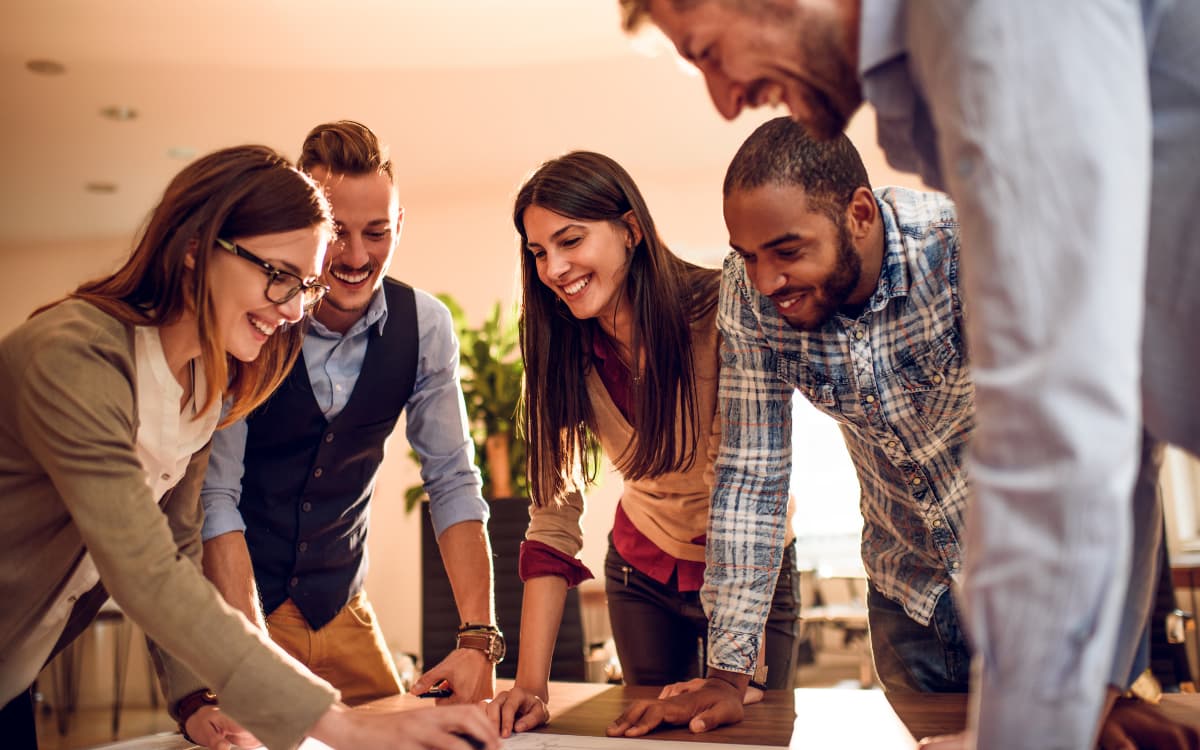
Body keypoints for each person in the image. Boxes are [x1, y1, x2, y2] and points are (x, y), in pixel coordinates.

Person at [617, 1, 1200, 748]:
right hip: (913, 592)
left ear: (860, 215)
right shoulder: (759, 286)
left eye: (705, 51)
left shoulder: (987, 32)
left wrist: (1055, 711)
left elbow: (1064, 421)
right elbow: (752, 475)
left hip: (1031, 572)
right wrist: (729, 671)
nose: (724, 99)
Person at [0, 145, 498, 750]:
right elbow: (145, 571)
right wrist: (340, 725)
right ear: (194, 250)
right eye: (280, 278)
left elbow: (178, 549)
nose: (293, 312)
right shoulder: (72, 356)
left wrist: (192, 698)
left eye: (304, 287)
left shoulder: (207, 385)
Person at [485, 151, 800, 737]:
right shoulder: (560, 347)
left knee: (743, 735)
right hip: (641, 570)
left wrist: (734, 673)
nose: (553, 268)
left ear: (630, 230)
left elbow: (740, 487)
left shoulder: (721, 313)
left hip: (750, 569)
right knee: (648, 736)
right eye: (538, 252)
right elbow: (553, 520)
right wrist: (529, 687)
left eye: (569, 240)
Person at [200, 121, 498, 713]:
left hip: (345, 610)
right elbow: (216, 499)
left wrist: (477, 638)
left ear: (400, 225)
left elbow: (453, 479)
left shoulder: (426, 328)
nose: (356, 257)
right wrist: (250, 655)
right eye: (336, 233)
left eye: (377, 232)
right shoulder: (255, 321)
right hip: (246, 608)